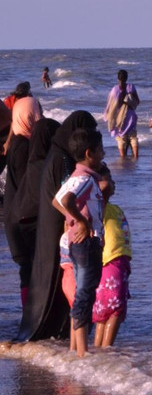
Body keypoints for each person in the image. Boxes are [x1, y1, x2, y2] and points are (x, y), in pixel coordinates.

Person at [17, 111, 99, 343]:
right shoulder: (62, 160)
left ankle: (62, 331)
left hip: (50, 226)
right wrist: (79, 221)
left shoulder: (54, 155)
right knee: (62, 280)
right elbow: (65, 197)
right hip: (60, 228)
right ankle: (63, 331)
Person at [51, 128, 106, 357]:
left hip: (77, 244)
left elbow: (56, 201)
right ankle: (83, 352)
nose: (103, 154)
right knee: (85, 294)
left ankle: (76, 347)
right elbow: (65, 200)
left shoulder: (76, 176)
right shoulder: (85, 179)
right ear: (89, 153)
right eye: (100, 150)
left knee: (82, 293)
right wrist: (81, 222)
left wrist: (72, 220)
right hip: (86, 243)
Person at [4, 116, 56, 308]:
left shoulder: (24, 153)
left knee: (26, 272)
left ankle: (30, 312)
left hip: (15, 222)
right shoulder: (39, 164)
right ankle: (33, 312)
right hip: (28, 225)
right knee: (32, 271)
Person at [92, 166, 132, 348]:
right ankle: (106, 349)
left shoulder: (114, 208)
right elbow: (104, 187)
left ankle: (99, 349)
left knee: (107, 310)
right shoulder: (99, 206)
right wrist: (98, 177)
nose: (112, 183)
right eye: (109, 179)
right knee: (114, 308)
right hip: (109, 262)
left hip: (120, 263)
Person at [104, 69, 140, 158]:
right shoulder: (131, 87)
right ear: (127, 77)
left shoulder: (115, 89)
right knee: (133, 136)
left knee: (121, 137)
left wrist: (107, 114)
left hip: (119, 116)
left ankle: (123, 157)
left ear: (118, 78)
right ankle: (136, 156)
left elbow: (110, 104)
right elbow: (137, 101)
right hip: (131, 115)